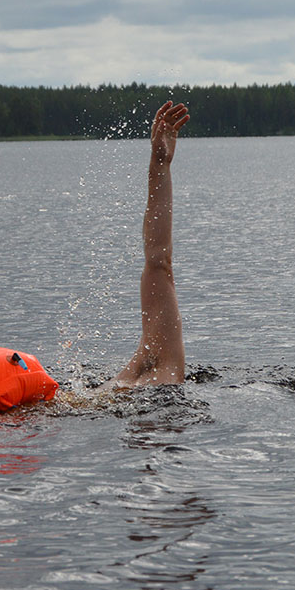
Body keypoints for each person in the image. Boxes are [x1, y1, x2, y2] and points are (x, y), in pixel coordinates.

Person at [105, 100, 191, 388]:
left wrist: (159, 165)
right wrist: (160, 165)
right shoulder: (165, 373)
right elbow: (158, 262)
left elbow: (157, 261)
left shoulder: (122, 380)